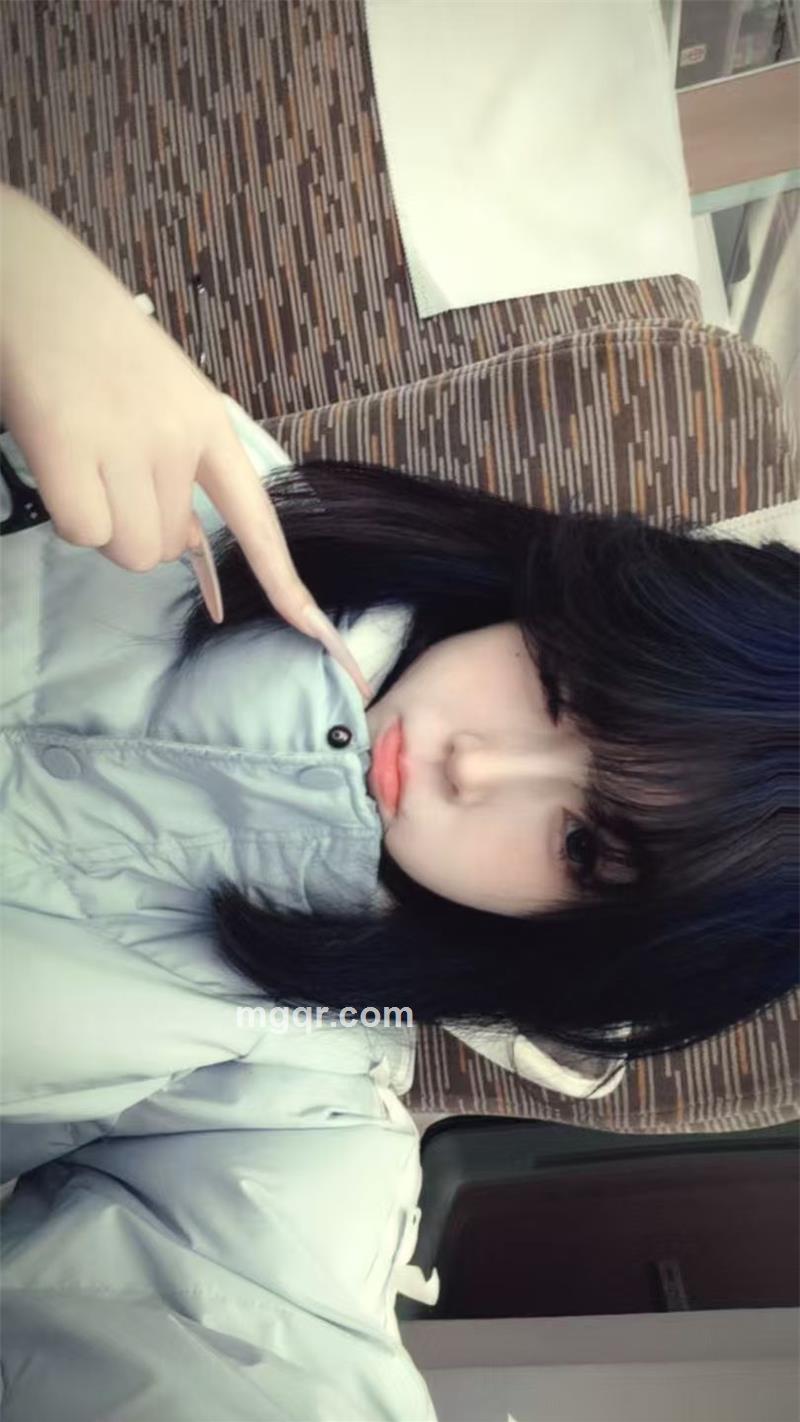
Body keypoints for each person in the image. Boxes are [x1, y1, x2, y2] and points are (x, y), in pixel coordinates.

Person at [0, 183, 797, 1418]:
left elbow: (240, 1349)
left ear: (584, 939)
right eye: (559, 687)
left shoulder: (289, 1099)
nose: (473, 769)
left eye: (580, 845)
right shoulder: (214, 477)